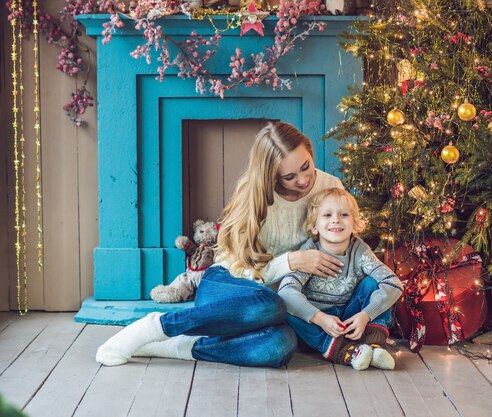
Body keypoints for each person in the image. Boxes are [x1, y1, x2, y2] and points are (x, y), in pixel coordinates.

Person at [96, 121, 345, 368]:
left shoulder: (331, 188)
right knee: (269, 305)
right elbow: (238, 265)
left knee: (280, 346)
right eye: (289, 176)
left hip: (281, 302)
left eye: (306, 167)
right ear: (271, 175)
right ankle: (158, 326)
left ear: (310, 153)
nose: (302, 180)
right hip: (228, 284)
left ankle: (182, 347)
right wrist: (290, 262)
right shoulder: (254, 193)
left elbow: (347, 248)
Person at [278, 188, 403, 371]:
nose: (335, 219)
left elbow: (393, 283)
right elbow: (286, 292)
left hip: (350, 319)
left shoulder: (359, 251)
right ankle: (343, 351)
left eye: (343, 214)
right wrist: (320, 318)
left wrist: (365, 315)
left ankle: (374, 345)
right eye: (327, 215)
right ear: (314, 226)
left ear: (354, 224)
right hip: (318, 325)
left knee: (372, 284)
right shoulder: (309, 253)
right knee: (287, 310)